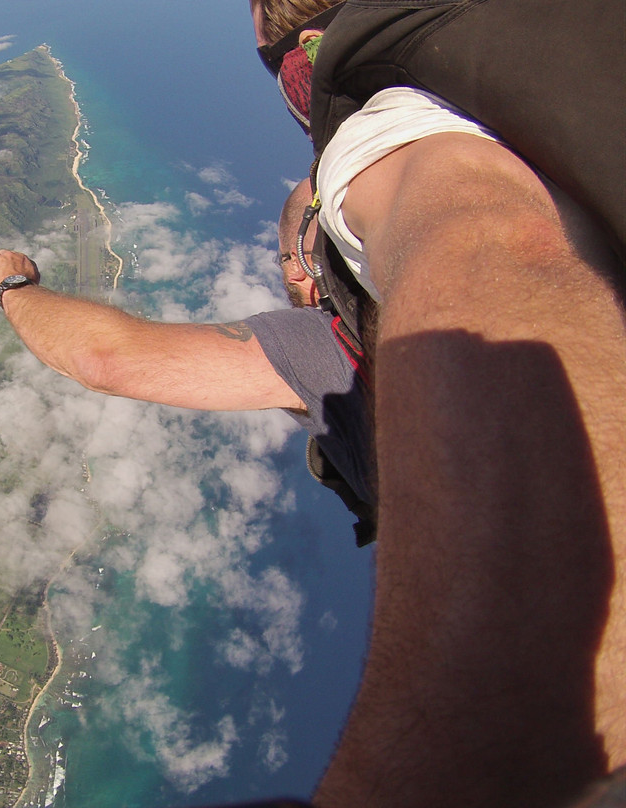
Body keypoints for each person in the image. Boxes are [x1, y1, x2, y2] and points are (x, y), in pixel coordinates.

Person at [249, 2, 626, 807]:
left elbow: (492, 246)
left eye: (296, 252)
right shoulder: (526, 60)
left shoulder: (384, 120)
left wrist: (503, 760)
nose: (291, 279)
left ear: (305, 55)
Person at [0, 180, 375, 511]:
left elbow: (102, 359)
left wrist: (11, 284)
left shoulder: (330, 345)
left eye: (289, 260)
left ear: (302, 267)